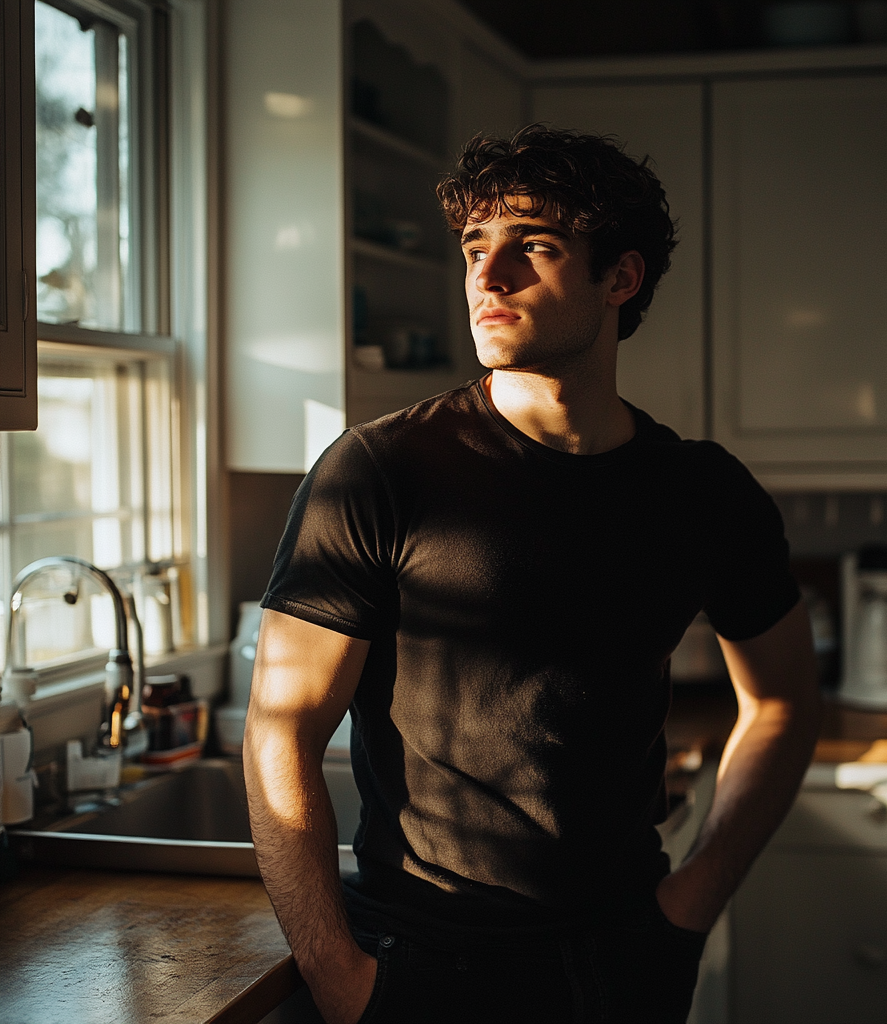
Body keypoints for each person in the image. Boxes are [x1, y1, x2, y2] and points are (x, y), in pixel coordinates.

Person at [244, 126, 820, 1024]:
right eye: (476, 246)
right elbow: (281, 730)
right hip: (427, 965)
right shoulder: (379, 470)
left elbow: (782, 701)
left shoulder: (703, 490)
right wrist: (337, 978)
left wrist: (691, 905)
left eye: (534, 247)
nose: (488, 275)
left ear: (619, 280)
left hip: (627, 958)